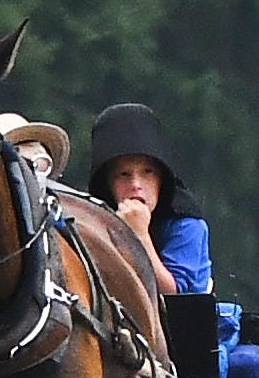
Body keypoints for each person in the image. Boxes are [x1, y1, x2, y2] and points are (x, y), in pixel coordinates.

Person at [84, 102, 212, 294]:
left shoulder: (185, 224)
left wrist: (140, 235)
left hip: (183, 321)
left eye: (147, 172)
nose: (136, 184)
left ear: (162, 177)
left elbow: (172, 294)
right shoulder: (93, 220)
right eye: (123, 174)